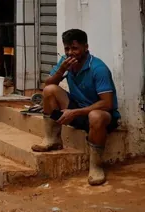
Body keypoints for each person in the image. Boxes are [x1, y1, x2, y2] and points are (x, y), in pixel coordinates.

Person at [32, 29, 120, 186]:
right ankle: (52, 139)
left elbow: (107, 103)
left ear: (86, 47)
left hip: (102, 115)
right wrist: (61, 71)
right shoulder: (66, 62)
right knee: (49, 90)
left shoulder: (98, 68)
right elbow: (48, 84)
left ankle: (96, 166)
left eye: (75, 48)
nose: (70, 53)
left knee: (96, 116)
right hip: (78, 109)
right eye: (67, 49)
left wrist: (75, 112)